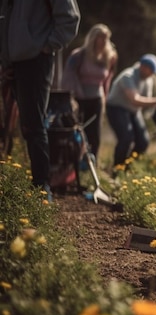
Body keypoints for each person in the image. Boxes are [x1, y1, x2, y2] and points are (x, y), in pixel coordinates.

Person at [0, 0, 80, 200]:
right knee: (19, 127)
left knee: (33, 126)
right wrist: (6, 60)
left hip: (35, 61)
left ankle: (42, 189)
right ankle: (32, 185)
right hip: (12, 64)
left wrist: (46, 47)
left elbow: (69, 18)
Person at [61, 23, 117, 163]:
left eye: (106, 38)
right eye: (100, 38)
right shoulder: (79, 55)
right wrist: (75, 95)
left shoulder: (108, 58)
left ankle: (92, 163)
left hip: (96, 99)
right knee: (79, 132)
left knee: (95, 133)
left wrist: (105, 97)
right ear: (93, 38)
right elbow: (69, 75)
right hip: (79, 98)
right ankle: (74, 162)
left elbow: (107, 80)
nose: (103, 41)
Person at [105, 53, 156, 168]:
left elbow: (146, 101)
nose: (153, 74)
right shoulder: (128, 76)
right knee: (126, 138)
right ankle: (117, 167)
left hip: (134, 111)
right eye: (151, 70)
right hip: (116, 108)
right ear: (143, 67)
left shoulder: (148, 79)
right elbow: (135, 100)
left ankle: (129, 166)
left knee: (143, 141)